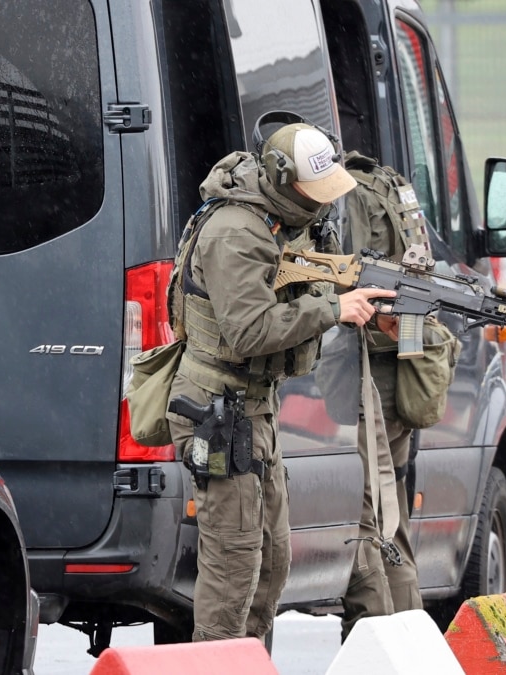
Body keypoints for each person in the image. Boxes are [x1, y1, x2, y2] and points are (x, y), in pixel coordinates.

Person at [164, 113, 396, 644]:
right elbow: (248, 332)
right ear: (282, 179)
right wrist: (334, 309)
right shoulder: (235, 232)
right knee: (233, 567)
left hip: (252, 410)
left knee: (271, 560)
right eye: (312, 193)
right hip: (217, 411)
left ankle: (249, 660)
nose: (321, 205)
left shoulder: (284, 224)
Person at [336, 150, 435, 641]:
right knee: (390, 516)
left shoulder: (344, 193)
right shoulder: (391, 186)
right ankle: (408, 639)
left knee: (369, 519)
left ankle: (374, 643)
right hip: (397, 376)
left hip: (364, 379)